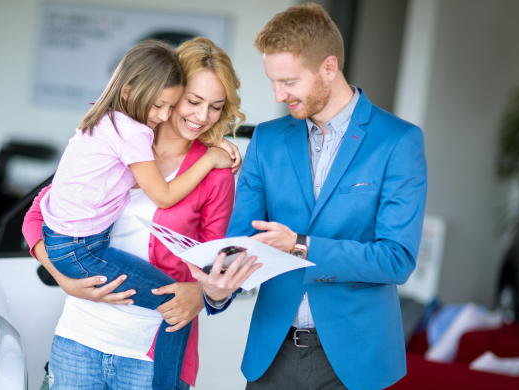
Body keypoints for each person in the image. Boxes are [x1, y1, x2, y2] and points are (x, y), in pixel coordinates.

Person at [186, 4, 428, 390]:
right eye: (273, 81)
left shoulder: (398, 141)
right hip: (272, 356)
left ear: (328, 68)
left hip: (355, 362)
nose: (279, 94)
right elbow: (238, 242)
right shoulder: (266, 139)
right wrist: (217, 289)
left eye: (289, 81)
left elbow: (396, 259)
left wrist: (300, 245)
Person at [23, 37, 245, 390]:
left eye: (216, 107)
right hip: (78, 341)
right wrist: (62, 276)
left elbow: (214, 264)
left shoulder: (215, 174)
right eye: (192, 101)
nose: (202, 117)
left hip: (148, 355)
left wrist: (202, 296)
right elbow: (38, 214)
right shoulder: (115, 141)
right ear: (166, 91)